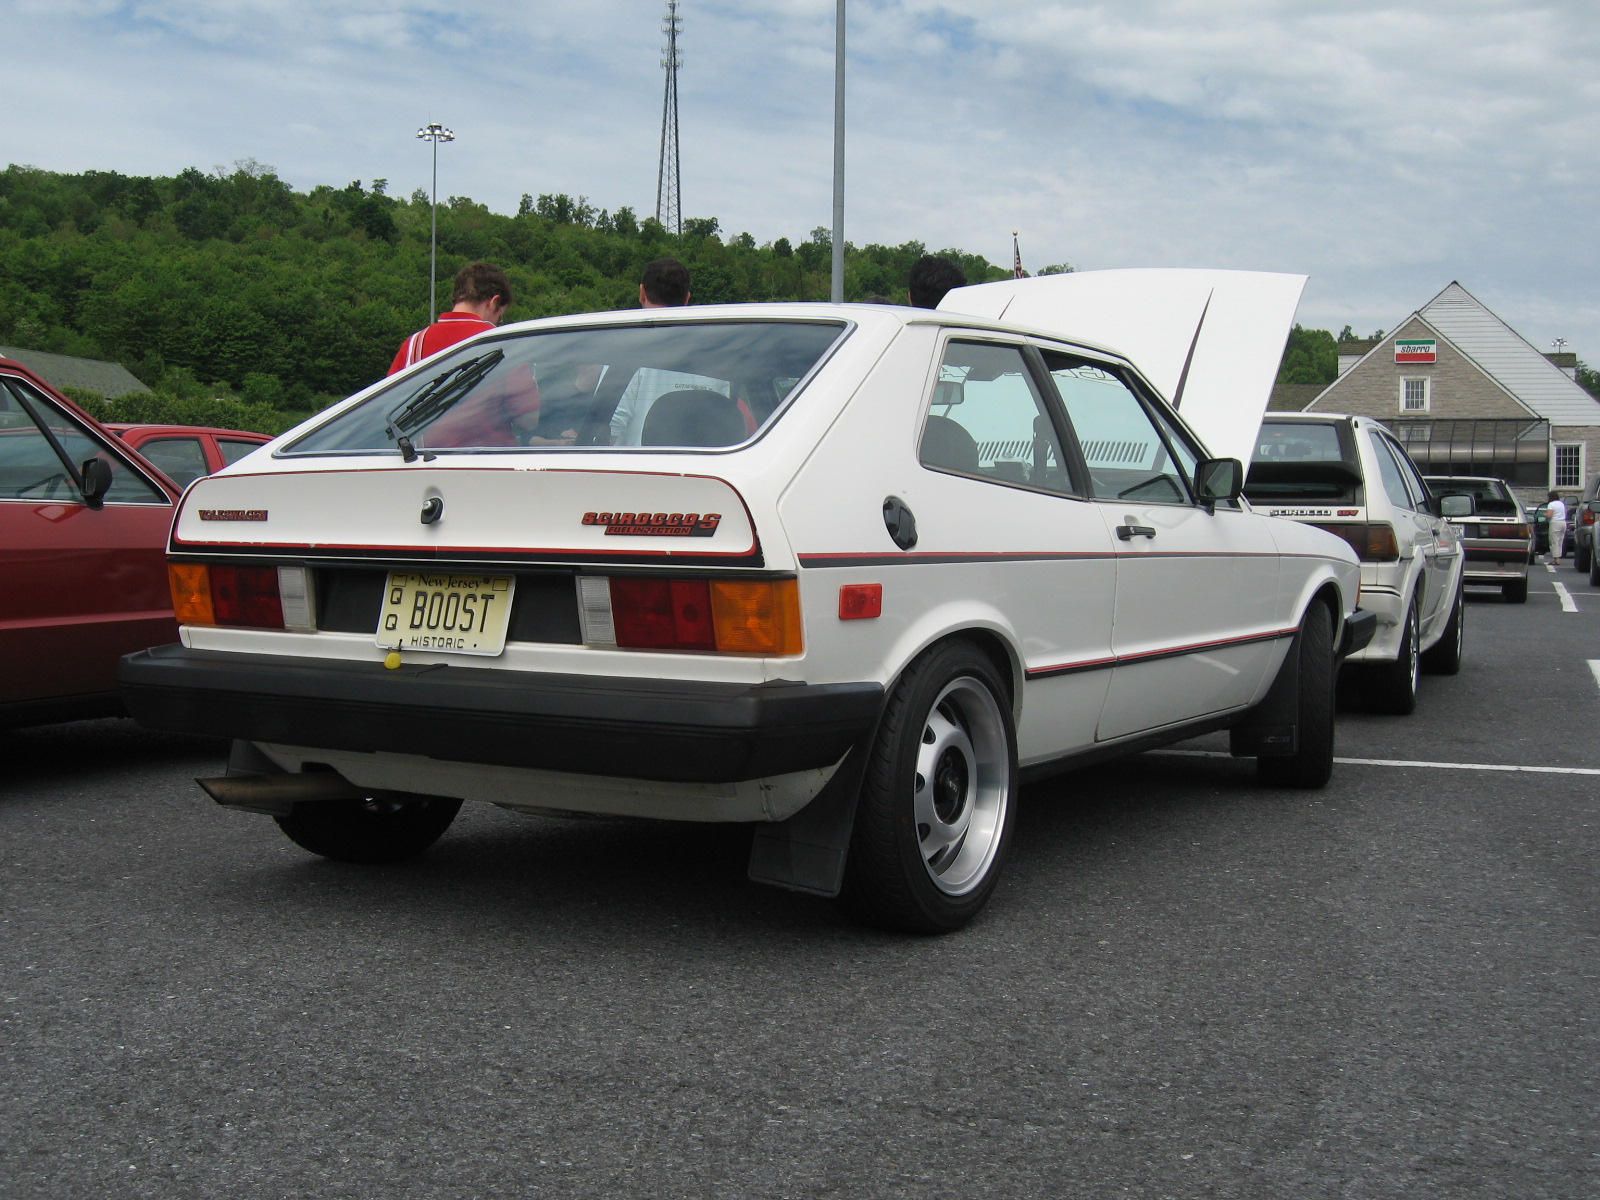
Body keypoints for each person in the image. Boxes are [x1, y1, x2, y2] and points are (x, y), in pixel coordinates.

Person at [610, 258, 733, 446]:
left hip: (641, 464)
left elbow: (611, 429)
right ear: (687, 298)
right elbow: (724, 424)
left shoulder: (624, 352)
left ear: (642, 293)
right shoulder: (720, 355)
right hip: (704, 463)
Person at [388, 262, 513, 375]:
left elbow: (390, 392)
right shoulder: (500, 343)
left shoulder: (413, 345)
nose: (497, 324)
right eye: (499, 318)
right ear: (494, 302)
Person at [1545, 490, 1568, 565]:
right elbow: (1565, 513)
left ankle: (1556, 559)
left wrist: (1544, 514)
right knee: (1560, 541)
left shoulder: (1551, 504)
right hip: (1563, 522)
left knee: (1554, 541)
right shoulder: (1561, 503)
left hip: (1555, 523)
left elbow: (1549, 515)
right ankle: (1559, 557)